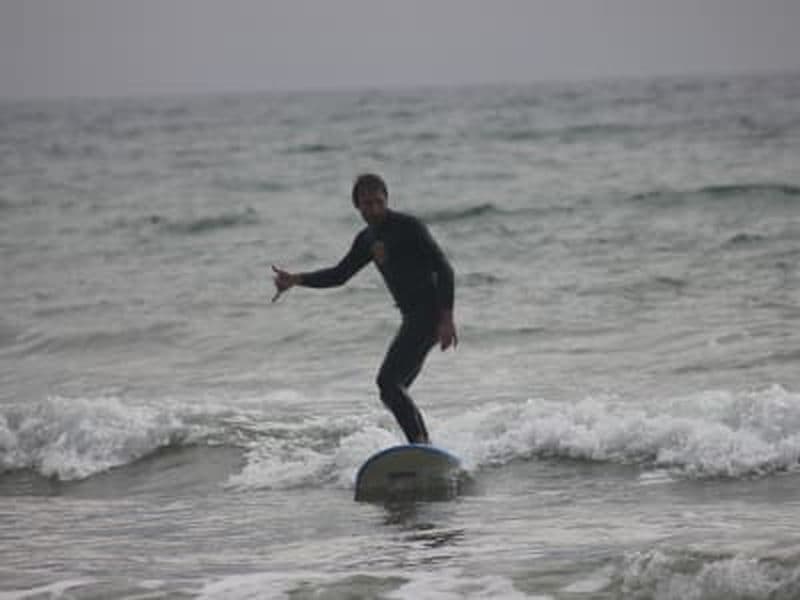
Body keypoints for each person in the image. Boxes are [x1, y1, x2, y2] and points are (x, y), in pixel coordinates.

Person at [272, 173, 457, 444]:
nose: (374, 209)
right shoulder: (367, 239)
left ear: (386, 200)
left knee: (388, 383)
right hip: (411, 316)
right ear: (357, 205)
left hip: (429, 313)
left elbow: (444, 269)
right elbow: (340, 275)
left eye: (378, 202)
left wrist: (446, 319)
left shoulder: (409, 227)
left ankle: (420, 444)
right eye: (367, 204)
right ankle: (424, 447)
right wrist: (297, 279)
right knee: (393, 390)